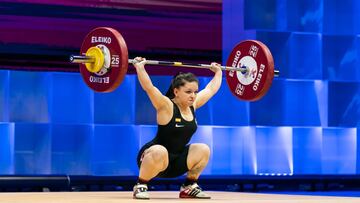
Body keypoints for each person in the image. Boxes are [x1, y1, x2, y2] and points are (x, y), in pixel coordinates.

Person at [132, 57, 222, 199]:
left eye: (195, 92)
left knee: (203, 149)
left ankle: (189, 186)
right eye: (188, 92)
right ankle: (141, 184)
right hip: (154, 159)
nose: (193, 96)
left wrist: (218, 72)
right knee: (160, 150)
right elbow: (149, 88)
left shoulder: (192, 105)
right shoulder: (166, 106)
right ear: (176, 92)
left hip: (176, 162)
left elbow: (211, 89)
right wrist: (140, 67)